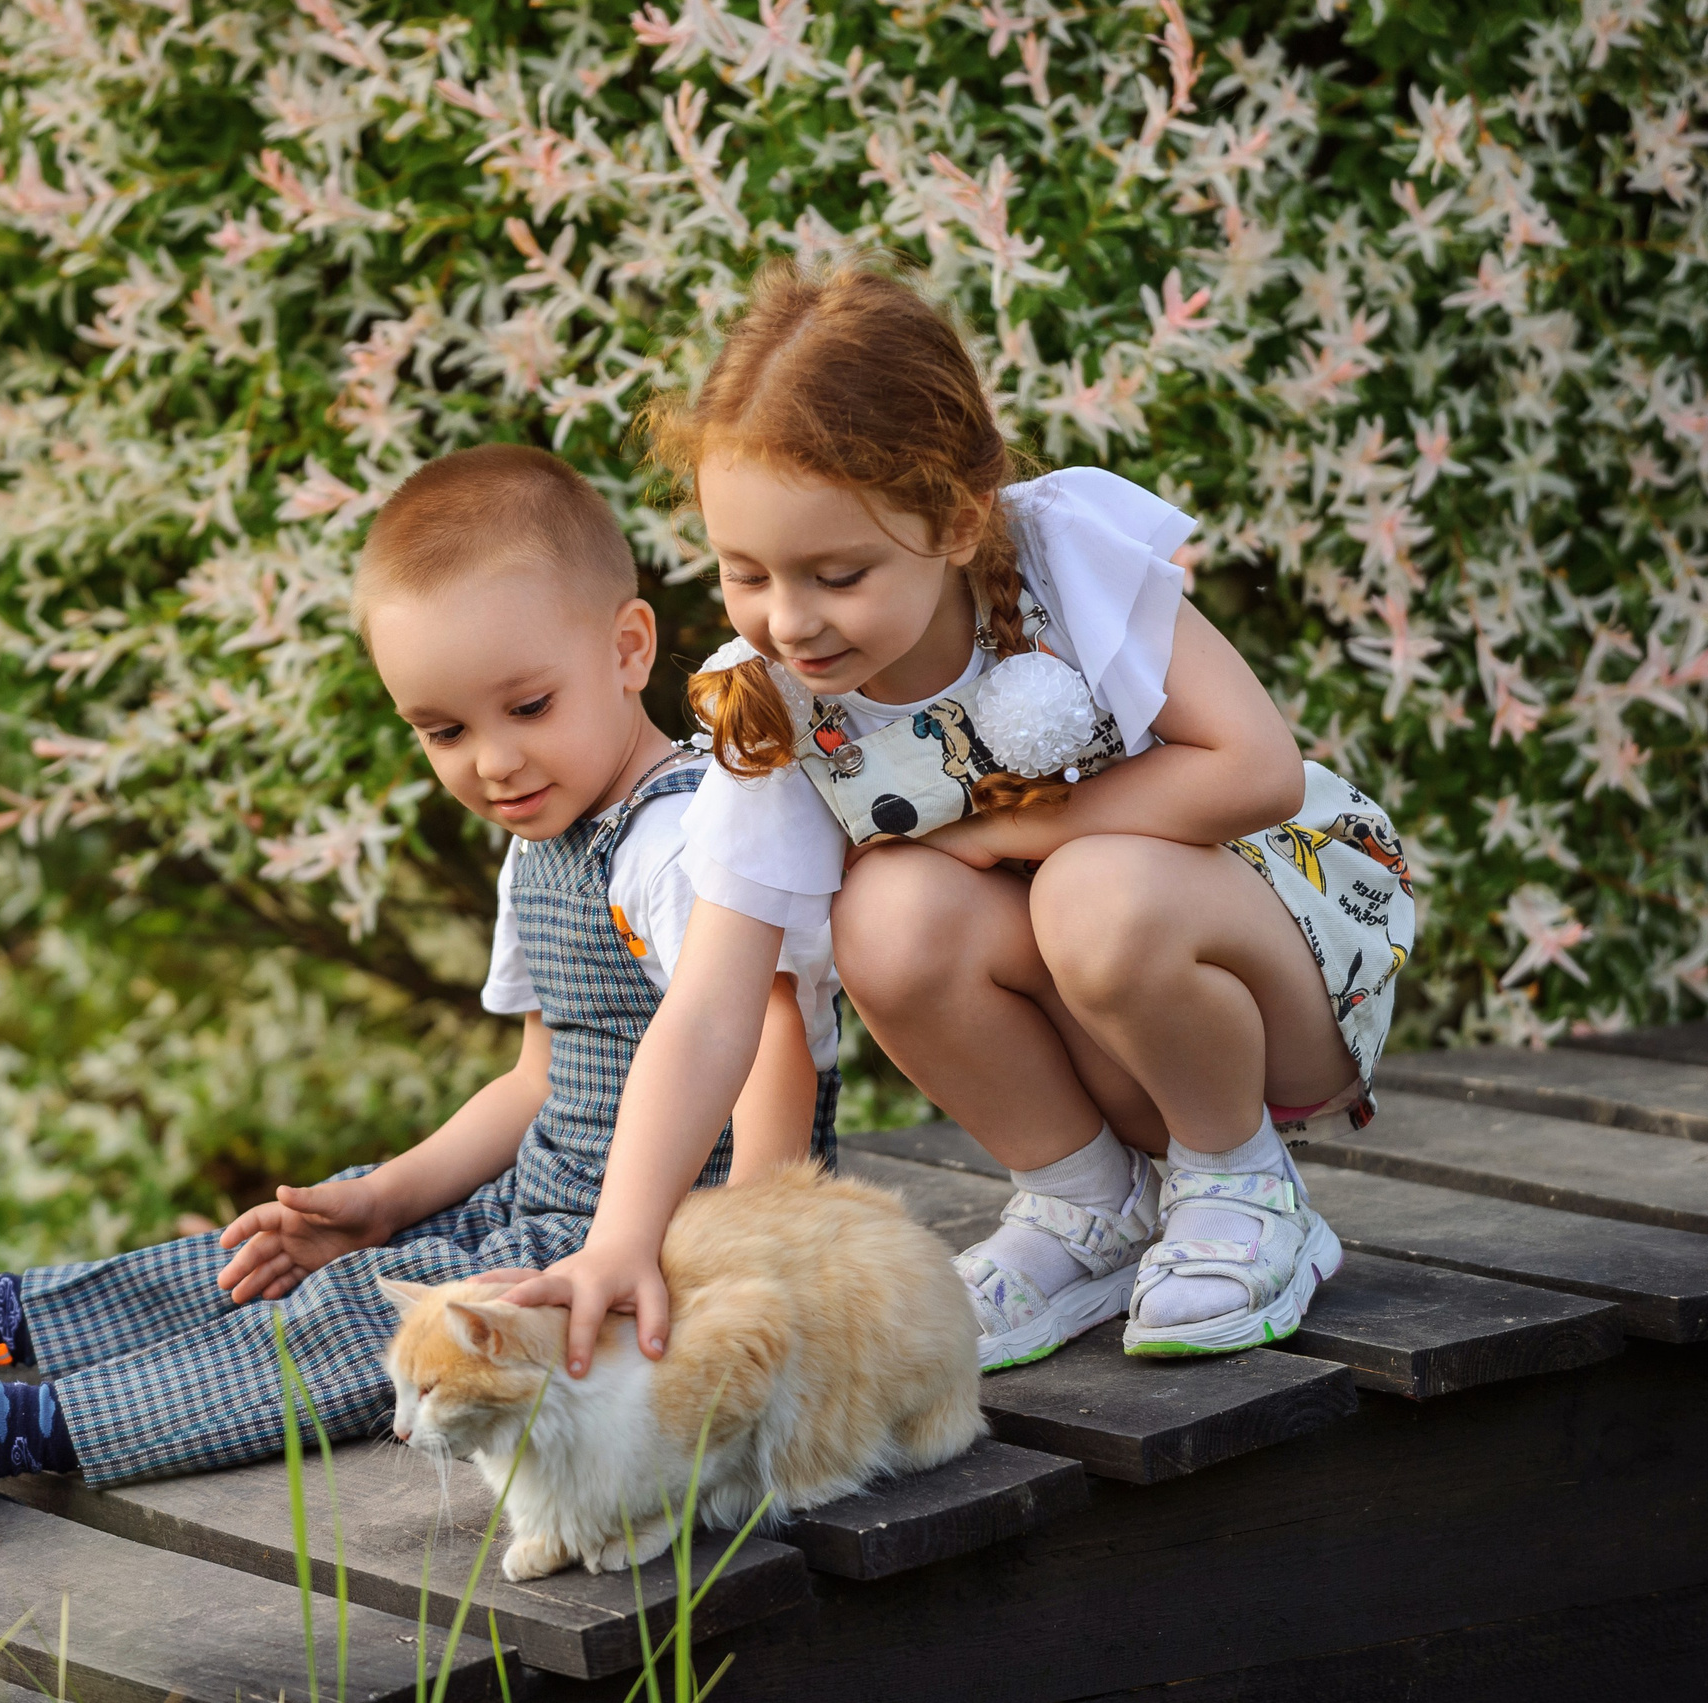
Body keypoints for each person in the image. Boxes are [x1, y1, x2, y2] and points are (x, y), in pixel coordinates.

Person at [0, 442, 841, 1503]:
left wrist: (736, 1269)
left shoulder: (680, 842)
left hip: (659, 1239)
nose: (493, 760)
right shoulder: (542, 846)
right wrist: (380, 1200)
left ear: (628, 648)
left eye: (528, 708)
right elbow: (538, 1078)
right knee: (290, 1254)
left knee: (358, 1318)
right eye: (442, 730)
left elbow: (767, 1040)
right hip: (545, 1207)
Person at [497, 263, 1415, 1376]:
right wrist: (620, 1240)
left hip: (1274, 983)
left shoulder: (1061, 563)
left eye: (838, 574)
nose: (791, 621)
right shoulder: (774, 705)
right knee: (882, 912)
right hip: (1101, 1037)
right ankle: (1090, 1206)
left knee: (1092, 890)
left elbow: (1257, 769)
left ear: (957, 516)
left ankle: (1244, 1189)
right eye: (746, 574)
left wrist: (1010, 834)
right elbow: (707, 1009)